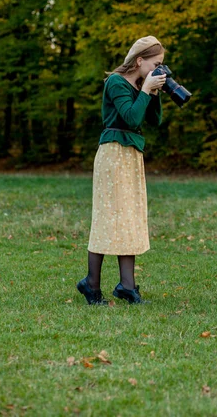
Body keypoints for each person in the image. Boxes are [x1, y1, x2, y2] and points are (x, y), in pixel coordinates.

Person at [77, 36, 167, 305]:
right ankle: (91, 284)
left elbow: (154, 120)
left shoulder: (142, 85)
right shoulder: (115, 82)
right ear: (140, 60)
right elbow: (130, 117)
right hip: (113, 153)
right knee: (108, 217)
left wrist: (153, 92)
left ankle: (127, 286)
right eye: (156, 64)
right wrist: (145, 91)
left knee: (129, 217)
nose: (159, 69)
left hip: (131, 155)